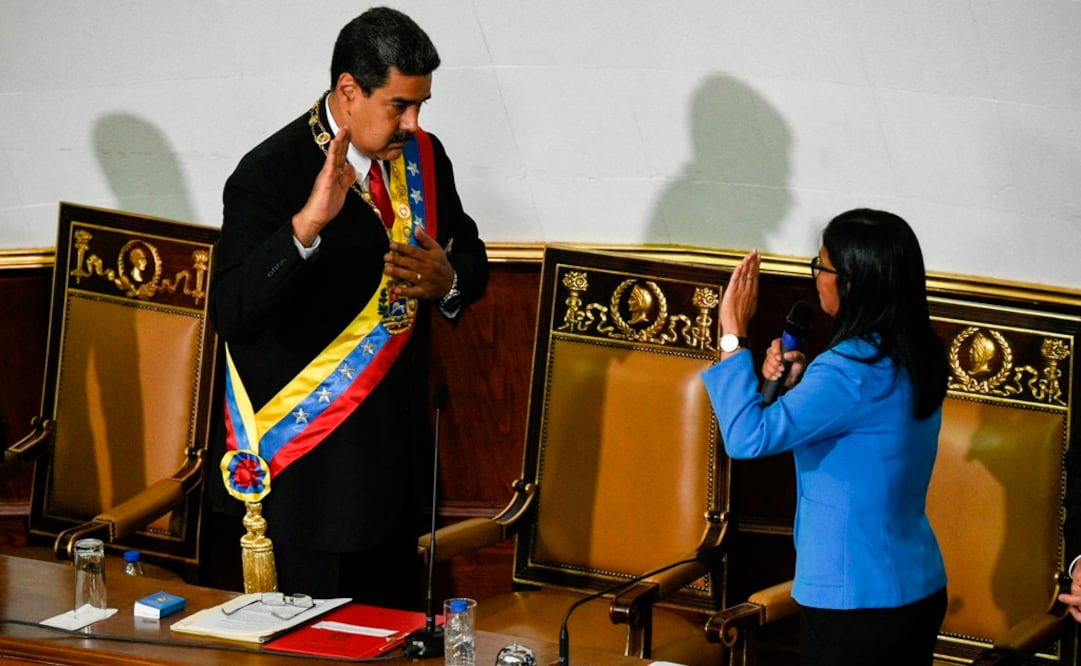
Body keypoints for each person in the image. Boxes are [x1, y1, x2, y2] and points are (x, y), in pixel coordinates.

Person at [208, 7, 488, 609]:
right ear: (348, 91)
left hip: (398, 480)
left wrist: (451, 280)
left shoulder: (425, 158)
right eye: (399, 106)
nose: (414, 123)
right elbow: (232, 310)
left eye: (421, 105)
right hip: (310, 484)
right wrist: (305, 227)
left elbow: (471, 253)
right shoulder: (268, 175)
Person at [701, 208, 949, 665]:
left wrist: (733, 336)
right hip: (915, 585)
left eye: (822, 267)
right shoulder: (917, 350)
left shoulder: (848, 371)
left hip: (855, 600)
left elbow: (746, 438)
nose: (816, 277)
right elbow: (862, 432)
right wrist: (799, 386)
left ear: (853, 282)